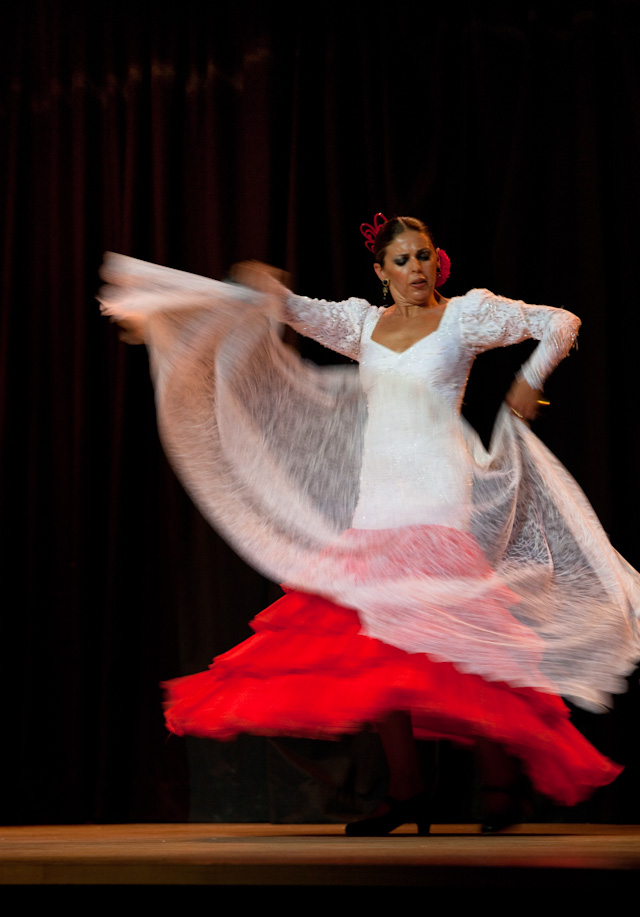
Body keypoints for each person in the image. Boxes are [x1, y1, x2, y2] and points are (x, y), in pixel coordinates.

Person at [99, 215, 640, 834]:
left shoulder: (465, 315)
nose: (417, 269)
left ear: (440, 263)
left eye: (425, 257)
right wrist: (240, 292)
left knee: (455, 631)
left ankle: (498, 782)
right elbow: (288, 308)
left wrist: (528, 382)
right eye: (403, 260)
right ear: (381, 272)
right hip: (379, 497)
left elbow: (559, 322)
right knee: (379, 637)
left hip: (438, 491)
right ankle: (407, 788)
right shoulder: (363, 325)